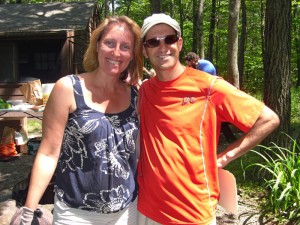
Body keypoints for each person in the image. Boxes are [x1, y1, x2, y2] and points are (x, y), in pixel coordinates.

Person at [137, 13, 280, 225]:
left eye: (169, 39)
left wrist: (224, 157)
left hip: (192, 211)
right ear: (144, 49)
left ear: (180, 43)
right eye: (153, 42)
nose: (163, 47)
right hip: (147, 208)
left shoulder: (208, 86)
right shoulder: (145, 90)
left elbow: (269, 119)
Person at [21, 15, 143, 225]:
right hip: (76, 214)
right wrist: (28, 211)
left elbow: (139, 154)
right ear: (97, 46)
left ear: (132, 54)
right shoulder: (68, 88)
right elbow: (49, 153)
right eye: (109, 43)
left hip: (127, 213)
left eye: (125, 47)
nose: (116, 52)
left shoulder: (135, 96)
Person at [185, 52, 236, 143]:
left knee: (215, 115)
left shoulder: (204, 65)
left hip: (211, 93)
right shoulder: (196, 66)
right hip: (206, 94)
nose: (187, 65)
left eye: (188, 63)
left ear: (192, 60)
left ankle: (229, 138)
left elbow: (202, 80)